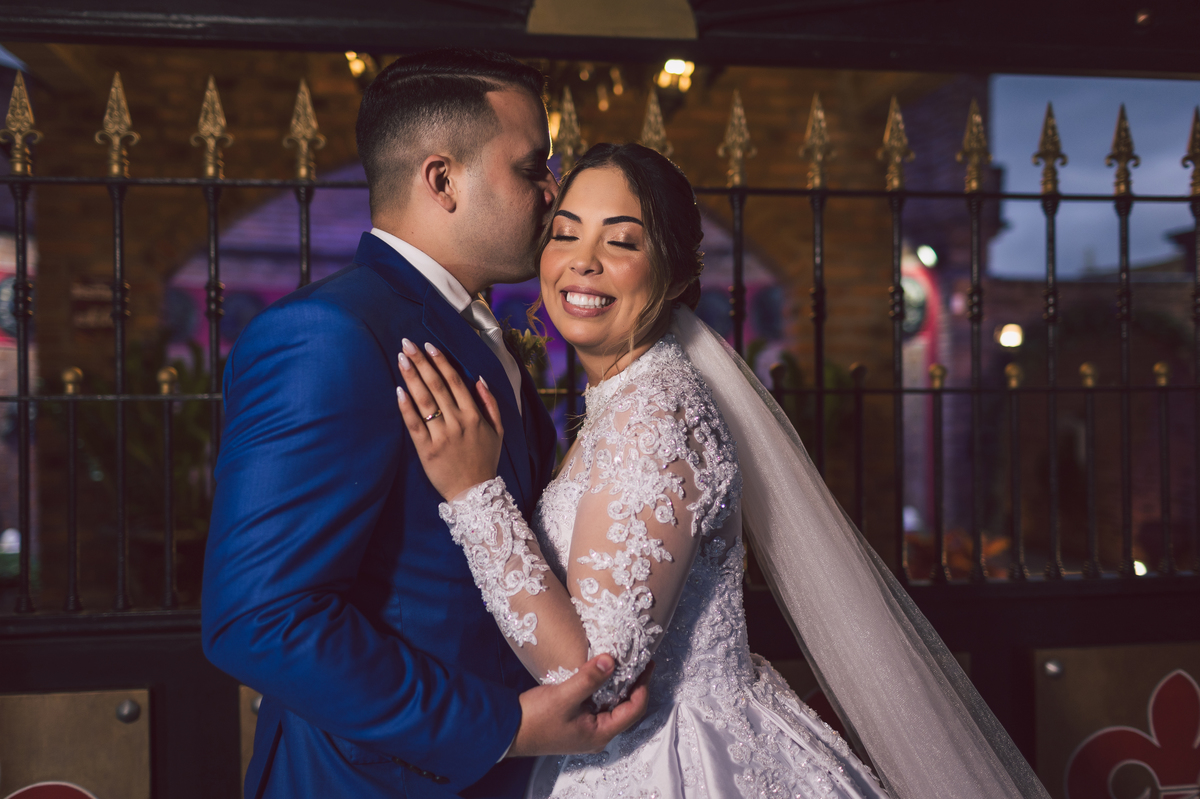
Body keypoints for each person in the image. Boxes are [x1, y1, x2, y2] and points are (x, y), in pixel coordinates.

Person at [394, 143, 1053, 799]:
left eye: (621, 242)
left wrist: (473, 492)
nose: (583, 261)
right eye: (565, 234)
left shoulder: (656, 417)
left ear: (674, 274)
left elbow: (597, 678)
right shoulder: (627, 400)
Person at [201, 52, 649, 799]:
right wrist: (502, 726)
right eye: (531, 168)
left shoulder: (469, 327)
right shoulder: (328, 335)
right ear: (442, 180)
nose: (552, 191)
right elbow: (258, 618)